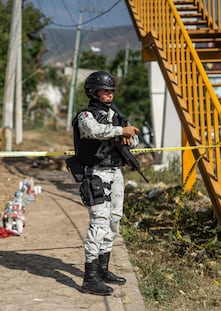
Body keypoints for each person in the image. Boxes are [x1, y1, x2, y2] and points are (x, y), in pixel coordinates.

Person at [72, 71, 139, 296]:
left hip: (116, 172)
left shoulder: (117, 114)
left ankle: (103, 269)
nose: (109, 95)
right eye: (105, 91)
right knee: (99, 223)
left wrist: (128, 135)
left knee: (113, 221)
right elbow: (93, 131)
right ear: (93, 92)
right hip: (96, 173)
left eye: (111, 91)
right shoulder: (85, 115)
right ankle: (89, 278)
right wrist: (120, 131)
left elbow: (135, 138)